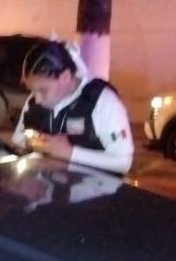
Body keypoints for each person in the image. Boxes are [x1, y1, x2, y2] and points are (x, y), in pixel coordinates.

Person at [11, 39, 133, 175]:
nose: (37, 99)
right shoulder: (34, 101)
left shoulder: (103, 102)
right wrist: (38, 144)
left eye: (43, 90)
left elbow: (123, 162)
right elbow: (18, 138)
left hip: (96, 192)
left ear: (65, 77)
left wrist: (70, 153)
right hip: (47, 191)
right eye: (33, 90)